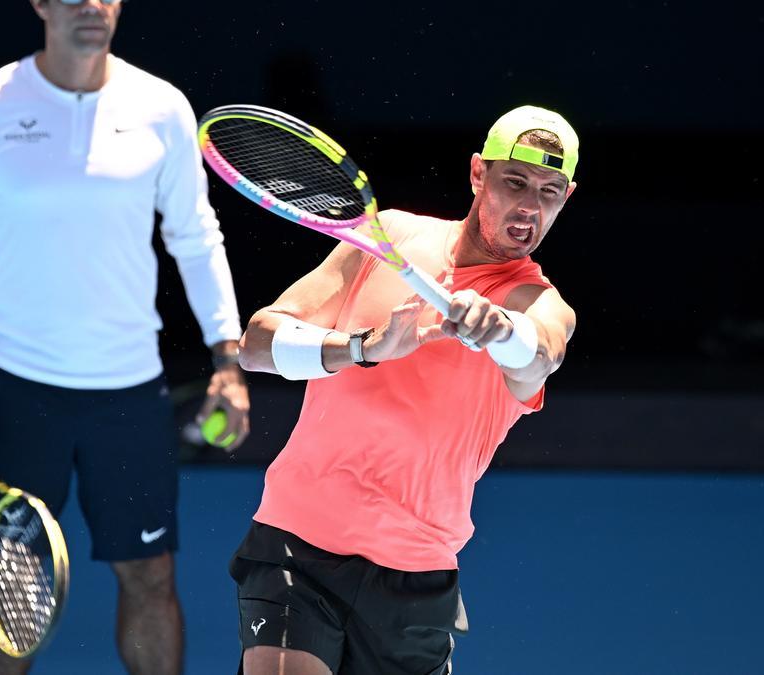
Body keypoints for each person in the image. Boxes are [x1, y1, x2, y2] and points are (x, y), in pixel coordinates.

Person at [0, 1, 250, 672]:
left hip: (130, 397)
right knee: (12, 591)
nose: (91, 6)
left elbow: (195, 238)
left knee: (150, 577)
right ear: (39, 4)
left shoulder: (162, 107)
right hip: (19, 396)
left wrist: (228, 361)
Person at [231, 105, 579, 675]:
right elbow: (258, 343)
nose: (528, 206)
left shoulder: (538, 303)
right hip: (298, 540)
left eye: (549, 191)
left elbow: (539, 354)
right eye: (514, 182)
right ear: (477, 174)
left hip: (415, 576)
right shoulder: (387, 234)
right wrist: (362, 348)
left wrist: (500, 329)